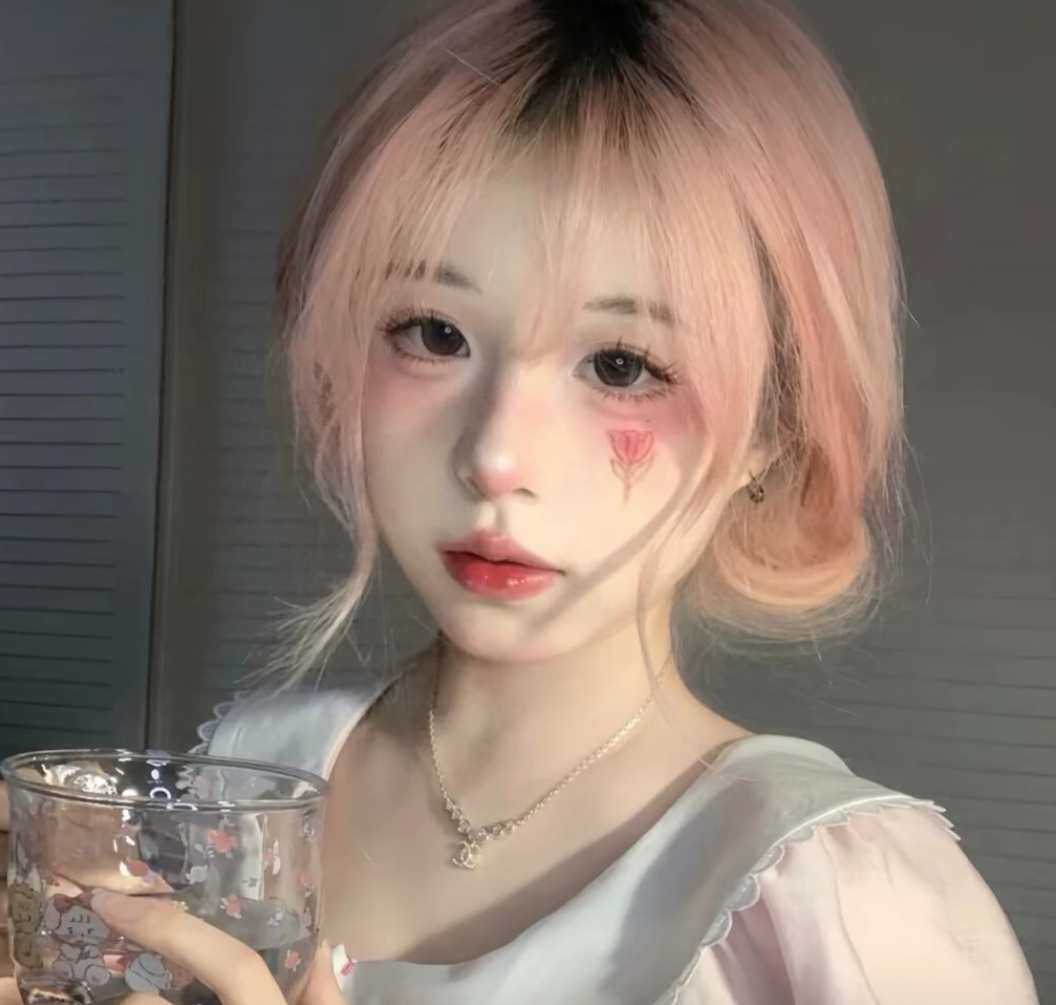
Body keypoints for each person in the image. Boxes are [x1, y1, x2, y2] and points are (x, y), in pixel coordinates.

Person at [0, 0, 1040, 1002]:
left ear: (773, 425)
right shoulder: (245, 783)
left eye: (624, 364)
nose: (495, 456)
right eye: (435, 334)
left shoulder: (844, 907)